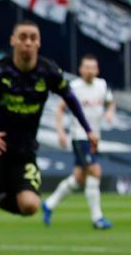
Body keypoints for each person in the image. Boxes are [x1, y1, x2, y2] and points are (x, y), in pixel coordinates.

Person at [0, 21, 97, 255]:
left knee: (30, 206)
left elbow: (70, 98)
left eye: (32, 37)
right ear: (13, 40)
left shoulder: (48, 72)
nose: (27, 42)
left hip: (24, 150)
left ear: (39, 42)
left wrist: (88, 128)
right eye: (22, 37)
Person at [42, 54, 116, 229]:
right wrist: (60, 131)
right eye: (87, 67)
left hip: (95, 137)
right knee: (95, 171)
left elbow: (111, 103)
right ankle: (97, 218)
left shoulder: (102, 85)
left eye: (93, 67)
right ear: (81, 69)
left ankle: (49, 204)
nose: (90, 71)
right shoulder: (74, 87)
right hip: (80, 136)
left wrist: (110, 112)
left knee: (78, 178)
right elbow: (60, 108)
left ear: (97, 70)